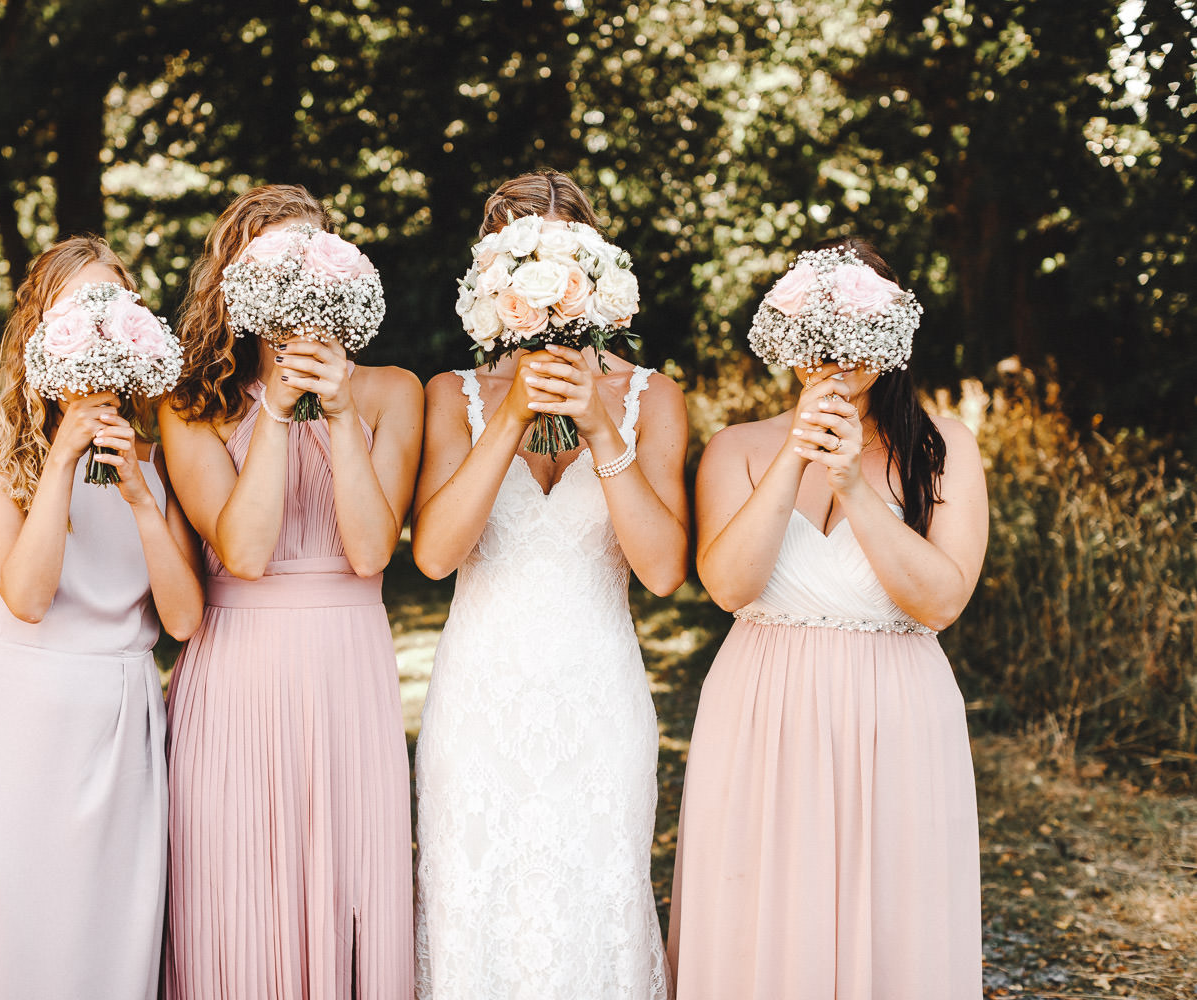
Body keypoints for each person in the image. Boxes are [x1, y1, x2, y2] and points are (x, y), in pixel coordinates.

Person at [667, 236, 988, 1000]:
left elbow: (941, 601)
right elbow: (728, 586)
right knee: (761, 920)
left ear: (891, 340)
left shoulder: (943, 449)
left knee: (891, 917)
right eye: (816, 332)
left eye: (856, 334)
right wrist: (795, 457)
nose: (836, 352)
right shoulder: (738, 447)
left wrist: (851, 484)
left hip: (897, 713)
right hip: (762, 709)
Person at [411, 170, 688, 1000]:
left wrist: (603, 425)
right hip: (480, 701)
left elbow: (665, 570)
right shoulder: (450, 395)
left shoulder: (651, 397)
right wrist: (506, 419)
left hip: (596, 696)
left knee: (594, 912)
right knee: (475, 910)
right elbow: (433, 555)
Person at [158, 184, 423, 1000]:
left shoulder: (391, 392)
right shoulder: (190, 406)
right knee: (235, 895)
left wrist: (339, 413)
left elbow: (372, 550)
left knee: (349, 884)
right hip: (238, 672)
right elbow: (241, 550)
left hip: (348, 671)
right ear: (238, 285)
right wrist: (274, 412)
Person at [0, 235, 203, 1000]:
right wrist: (61, 457)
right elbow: (27, 595)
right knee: (10, 949)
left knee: (108, 954)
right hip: (15, 726)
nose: (100, 328)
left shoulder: (156, 458)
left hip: (120, 729)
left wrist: (143, 499)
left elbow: (182, 620)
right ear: (39, 332)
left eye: (114, 307)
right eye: (80, 309)